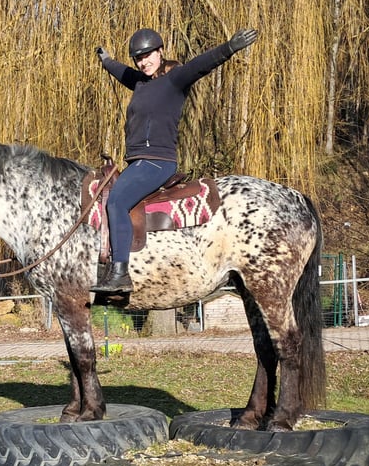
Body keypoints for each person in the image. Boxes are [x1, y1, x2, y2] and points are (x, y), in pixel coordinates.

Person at [90, 27, 258, 293]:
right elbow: (122, 73)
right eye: (138, 58)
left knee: (117, 201)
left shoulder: (174, 80)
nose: (143, 62)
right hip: (139, 162)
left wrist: (229, 48)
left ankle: (120, 273)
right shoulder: (141, 82)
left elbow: (200, 65)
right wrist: (107, 61)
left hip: (157, 161)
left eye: (147, 55)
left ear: (160, 52)